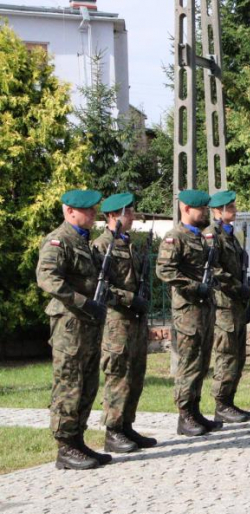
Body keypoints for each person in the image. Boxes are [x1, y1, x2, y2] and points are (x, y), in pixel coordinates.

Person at [37, 189, 112, 469]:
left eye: (94, 209)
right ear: (70, 211)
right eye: (88, 210)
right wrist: (83, 302)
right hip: (70, 324)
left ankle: (78, 440)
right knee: (69, 383)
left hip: (88, 324)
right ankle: (65, 447)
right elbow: (47, 279)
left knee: (88, 384)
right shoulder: (59, 240)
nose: (93, 214)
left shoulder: (84, 242)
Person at [92, 193, 156, 454]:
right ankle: (113, 430)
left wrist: (143, 298)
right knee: (118, 374)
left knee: (136, 373)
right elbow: (100, 287)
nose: (131, 216)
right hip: (117, 321)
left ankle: (127, 424)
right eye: (127, 212)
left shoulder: (129, 243)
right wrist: (130, 299)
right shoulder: (101, 246)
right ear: (112, 215)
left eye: (131, 211)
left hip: (136, 320)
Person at [156, 189, 222, 437]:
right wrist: (194, 286)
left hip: (204, 309)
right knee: (189, 363)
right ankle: (184, 415)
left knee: (202, 362)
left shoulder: (200, 238)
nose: (205, 213)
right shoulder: (175, 237)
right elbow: (165, 271)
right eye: (201, 209)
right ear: (186, 209)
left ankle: (195, 411)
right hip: (188, 311)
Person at [203, 191, 250, 421]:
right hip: (223, 304)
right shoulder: (212, 235)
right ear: (218, 210)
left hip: (237, 303)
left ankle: (230, 400)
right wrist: (236, 286)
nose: (235, 210)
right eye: (231, 207)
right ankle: (221, 403)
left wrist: (245, 297)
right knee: (226, 355)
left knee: (239, 355)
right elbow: (214, 269)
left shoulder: (231, 235)